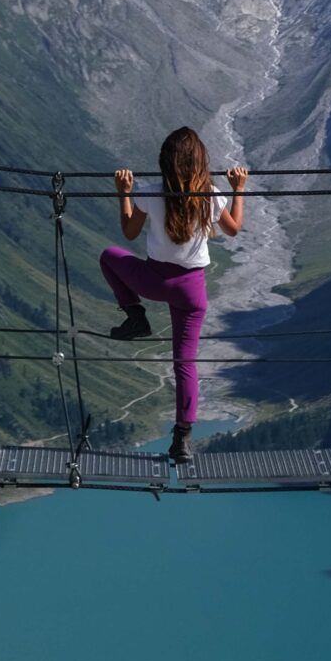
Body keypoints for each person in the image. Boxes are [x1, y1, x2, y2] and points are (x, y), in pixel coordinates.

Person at [99, 126, 247, 464]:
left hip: (153, 280)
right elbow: (233, 229)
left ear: (165, 161)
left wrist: (124, 192)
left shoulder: (151, 193)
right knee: (185, 363)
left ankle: (135, 317)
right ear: (200, 162)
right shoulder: (211, 195)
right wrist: (239, 190)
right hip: (192, 292)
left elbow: (129, 231)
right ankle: (182, 440)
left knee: (109, 255)